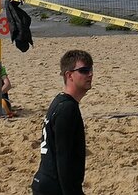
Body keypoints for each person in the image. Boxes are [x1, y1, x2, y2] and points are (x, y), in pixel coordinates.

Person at [32, 50, 93, 195]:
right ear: (69, 75)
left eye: (91, 69)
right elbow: (64, 158)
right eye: (84, 70)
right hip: (54, 187)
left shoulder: (60, 101)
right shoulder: (67, 109)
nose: (90, 74)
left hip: (46, 182)